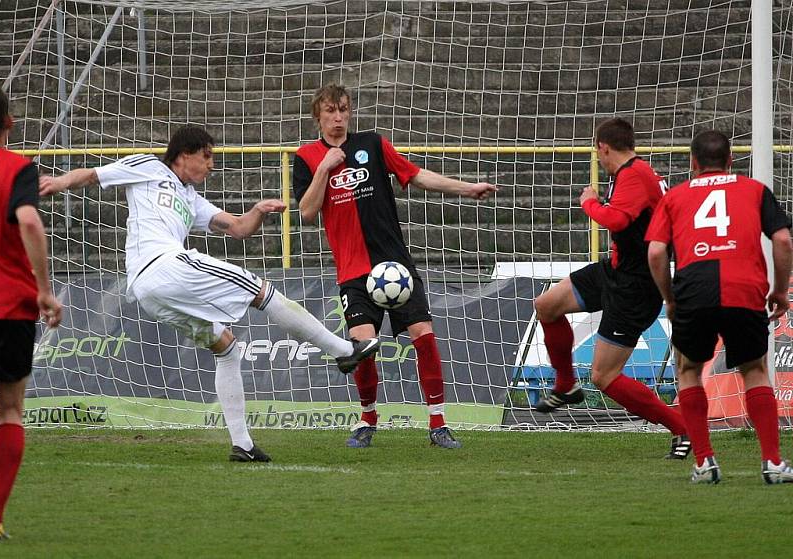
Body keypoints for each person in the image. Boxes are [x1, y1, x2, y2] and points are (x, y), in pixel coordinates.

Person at [40, 125, 380, 463]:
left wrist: (258, 211)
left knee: (226, 346)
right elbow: (93, 175)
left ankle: (242, 445)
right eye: (207, 157)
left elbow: (238, 229)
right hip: (164, 266)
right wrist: (58, 182)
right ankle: (342, 351)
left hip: (149, 292)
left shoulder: (190, 199)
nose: (211, 165)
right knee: (261, 290)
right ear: (185, 154)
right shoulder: (148, 166)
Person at [293, 83, 497, 449]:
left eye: (343, 109)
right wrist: (325, 168)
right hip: (353, 272)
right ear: (318, 116)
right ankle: (368, 417)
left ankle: (438, 423)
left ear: (350, 111)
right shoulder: (307, 158)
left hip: (394, 267)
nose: (338, 117)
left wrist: (466, 188)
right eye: (330, 111)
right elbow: (307, 212)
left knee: (423, 334)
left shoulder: (372, 144)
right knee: (364, 345)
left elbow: (415, 175)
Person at [533, 117, 691, 458]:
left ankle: (681, 427)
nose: (599, 159)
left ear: (604, 148)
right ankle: (565, 385)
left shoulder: (634, 174)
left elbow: (617, 220)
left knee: (604, 376)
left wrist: (589, 202)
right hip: (615, 271)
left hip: (636, 287)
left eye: (598, 152)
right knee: (546, 305)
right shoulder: (631, 174)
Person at [646, 130, 793, 484]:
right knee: (755, 370)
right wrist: (780, 291)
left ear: (693, 164)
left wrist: (669, 298)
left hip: (693, 290)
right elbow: (784, 239)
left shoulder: (676, 196)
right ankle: (772, 463)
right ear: (730, 161)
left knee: (689, 371)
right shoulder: (754, 190)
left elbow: (654, 252)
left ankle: (705, 463)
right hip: (744, 288)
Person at [0, 84, 63, 541]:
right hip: (9, 305)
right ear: (9, 123)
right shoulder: (17, 168)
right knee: (11, 410)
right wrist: (44, 290)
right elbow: (31, 221)